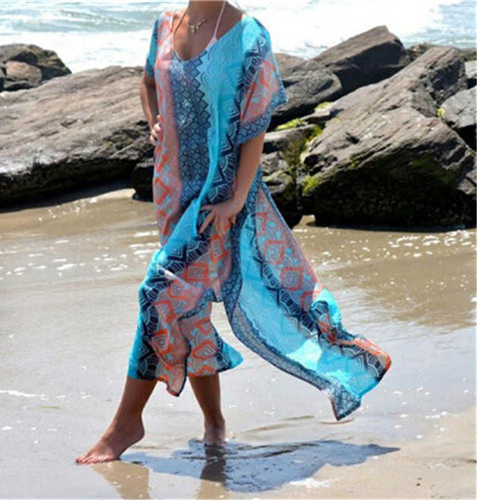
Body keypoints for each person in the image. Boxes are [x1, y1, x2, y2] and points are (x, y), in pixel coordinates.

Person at [75, 0, 392, 465]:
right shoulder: (165, 24)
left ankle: (127, 422)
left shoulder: (248, 36)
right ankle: (214, 423)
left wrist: (238, 197)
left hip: (218, 196)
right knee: (188, 309)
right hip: (171, 191)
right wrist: (154, 121)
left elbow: (254, 125)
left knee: (158, 290)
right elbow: (148, 82)